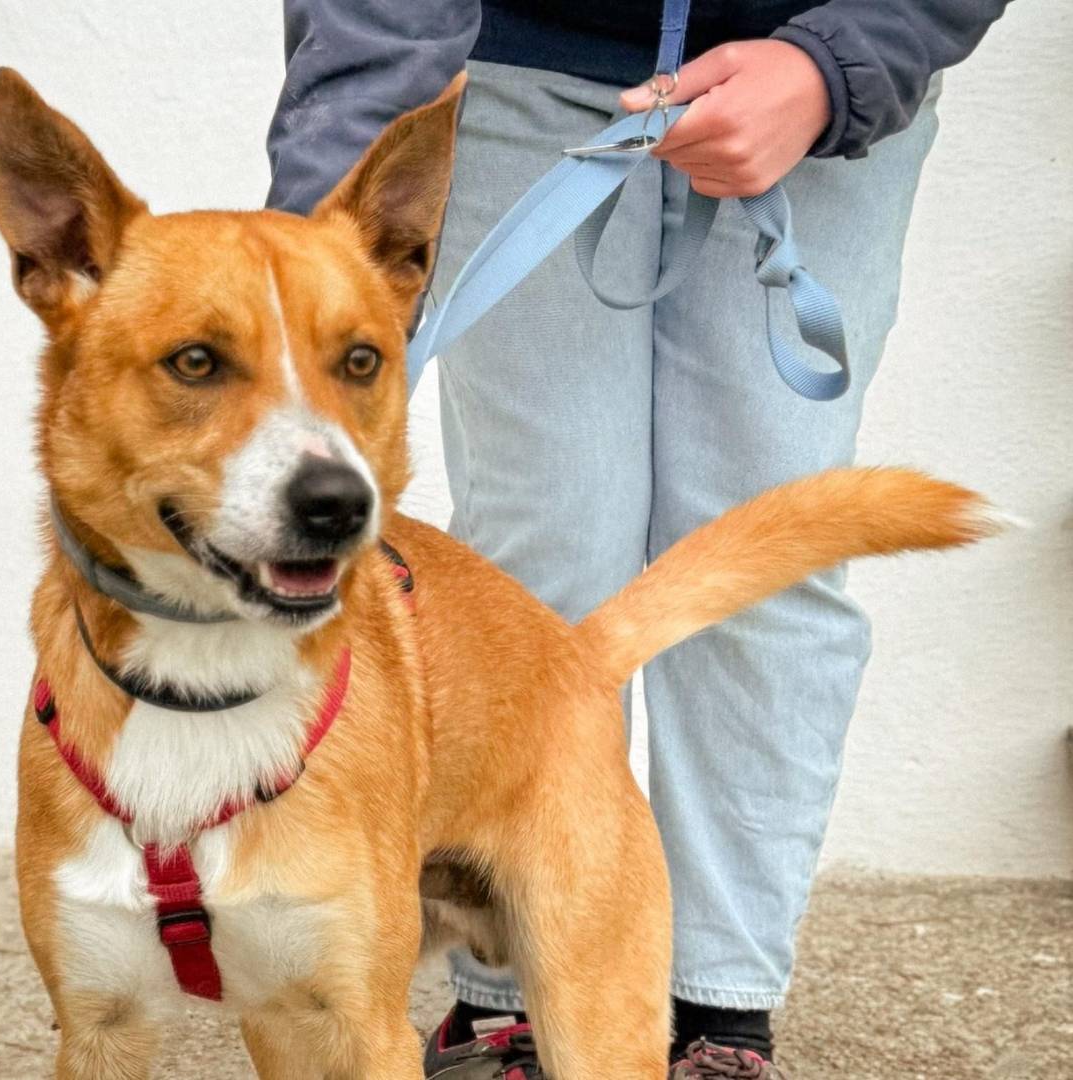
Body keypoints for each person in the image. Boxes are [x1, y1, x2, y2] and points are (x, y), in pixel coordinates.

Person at [267, 2, 1011, 1077]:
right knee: (539, 553)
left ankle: (720, 1015)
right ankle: (513, 1001)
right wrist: (306, 264)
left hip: (818, 76)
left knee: (760, 562)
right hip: (522, 60)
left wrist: (840, 64)